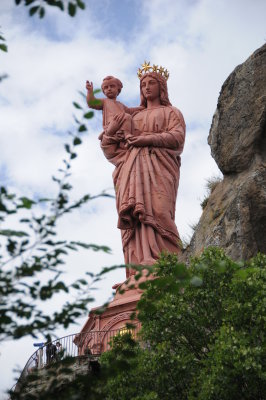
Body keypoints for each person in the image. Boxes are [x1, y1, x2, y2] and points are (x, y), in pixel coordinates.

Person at [99, 63, 186, 275]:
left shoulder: (171, 112)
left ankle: (169, 266)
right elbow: (111, 151)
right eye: (143, 84)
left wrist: (145, 139)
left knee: (158, 211)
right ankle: (137, 270)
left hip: (160, 168)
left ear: (161, 87)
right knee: (134, 219)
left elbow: (177, 138)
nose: (147, 87)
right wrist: (110, 131)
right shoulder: (131, 117)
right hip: (130, 170)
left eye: (152, 83)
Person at [86, 76, 143, 143]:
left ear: (118, 89)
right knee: (126, 116)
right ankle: (125, 134)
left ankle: (125, 134)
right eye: (106, 87)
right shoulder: (104, 101)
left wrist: (141, 108)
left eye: (112, 86)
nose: (109, 89)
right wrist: (90, 91)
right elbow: (91, 103)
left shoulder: (120, 104)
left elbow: (130, 111)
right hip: (111, 124)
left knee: (128, 117)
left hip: (121, 123)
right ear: (103, 91)